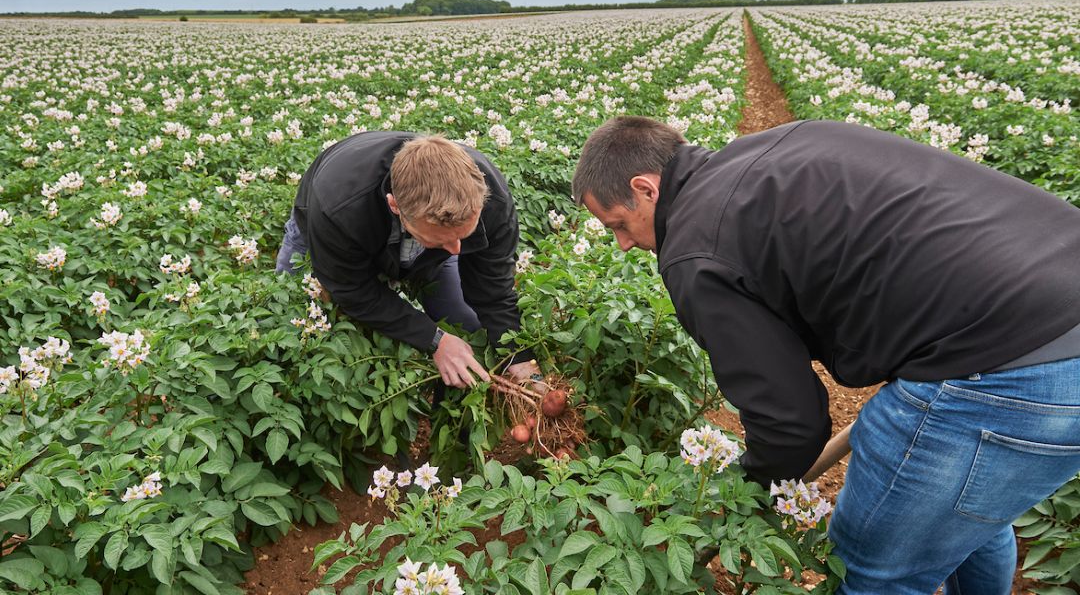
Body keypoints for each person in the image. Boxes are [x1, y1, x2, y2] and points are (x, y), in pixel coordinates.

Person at [572, 116, 1080, 595]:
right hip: (1057, 302)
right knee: (966, 516)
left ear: (646, 188)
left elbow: (790, 421)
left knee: (873, 569)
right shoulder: (778, 144)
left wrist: (744, 492)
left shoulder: (695, 251)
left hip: (1007, 372)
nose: (621, 245)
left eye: (618, 224)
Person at [278, 131, 536, 389]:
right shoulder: (339, 207)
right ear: (395, 206)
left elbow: (493, 289)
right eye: (441, 240)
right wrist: (433, 339)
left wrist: (519, 357)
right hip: (325, 234)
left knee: (464, 323)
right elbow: (353, 290)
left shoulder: (492, 198)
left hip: (420, 244)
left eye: (463, 235)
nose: (457, 250)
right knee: (295, 331)